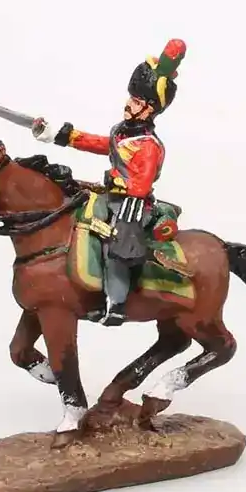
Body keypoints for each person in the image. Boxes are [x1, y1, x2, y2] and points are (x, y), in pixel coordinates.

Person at [31, 39, 186, 325]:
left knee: (116, 245)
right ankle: (84, 287)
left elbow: (141, 185)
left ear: (149, 109)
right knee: (77, 217)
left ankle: (116, 304)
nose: (129, 104)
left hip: (133, 206)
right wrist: (61, 135)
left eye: (137, 102)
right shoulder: (122, 133)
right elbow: (100, 143)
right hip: (111, 198)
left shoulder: (148, 145)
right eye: (131, 99)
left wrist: (115, 180)